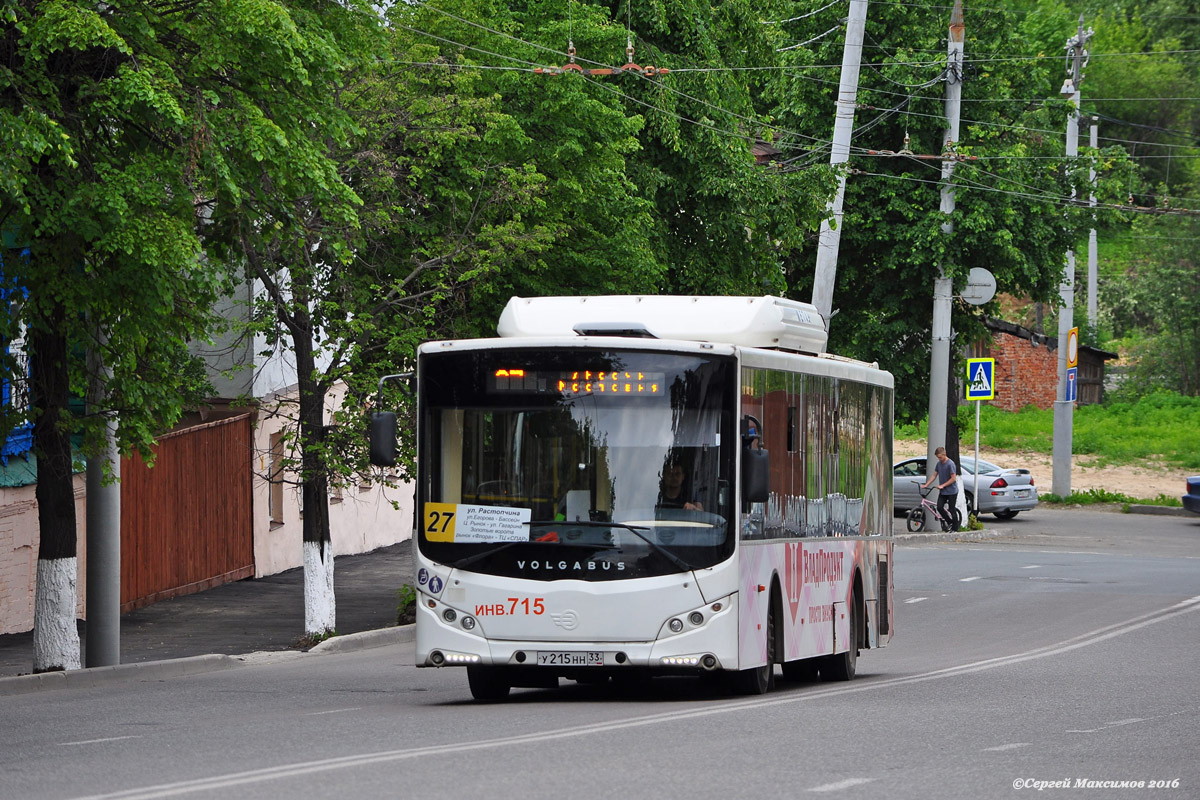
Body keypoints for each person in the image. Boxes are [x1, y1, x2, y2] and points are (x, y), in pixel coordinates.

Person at [923, 446, 961, 531]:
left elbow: (953, 478)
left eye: (940, 457)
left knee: (951, 509)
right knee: (939, 507)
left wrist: (943, 485)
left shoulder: (950, 464)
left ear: (945, 454)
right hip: (943, 492)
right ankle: (950, 522)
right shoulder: (939, 464)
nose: (939, 459)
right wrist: (927, 484)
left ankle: (955, 528)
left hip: (951, 491)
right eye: (938, 457)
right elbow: (934, 475)